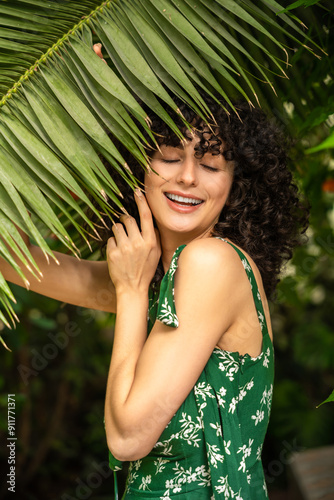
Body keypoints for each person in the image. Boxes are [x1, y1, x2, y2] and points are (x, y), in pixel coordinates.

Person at [0, 53, 308, 499]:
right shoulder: (159, 279)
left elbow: (127, 439)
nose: (186, 177)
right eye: (167, 156)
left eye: (210, 164)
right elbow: (15, 260)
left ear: (237, 184)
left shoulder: (210, 264)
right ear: (137, 168)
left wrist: (128, 293)